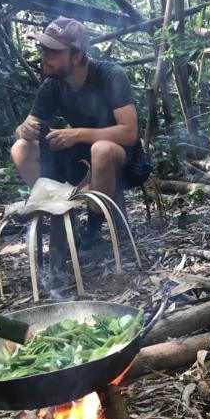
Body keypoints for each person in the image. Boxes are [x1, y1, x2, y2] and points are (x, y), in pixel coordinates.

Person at [11, 16, 150, 248]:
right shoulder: (53, 84)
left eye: (53, 52)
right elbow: (25, 130)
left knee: (102, 150)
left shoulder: (110, 75)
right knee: (20, 149)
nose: (45, 57)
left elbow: (129, 133)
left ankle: (93, 228)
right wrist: (22, 130)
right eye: (44, 49)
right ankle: (58, 215)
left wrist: (75, 135)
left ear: (76, 56)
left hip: (123, 162)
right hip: (77, 161)